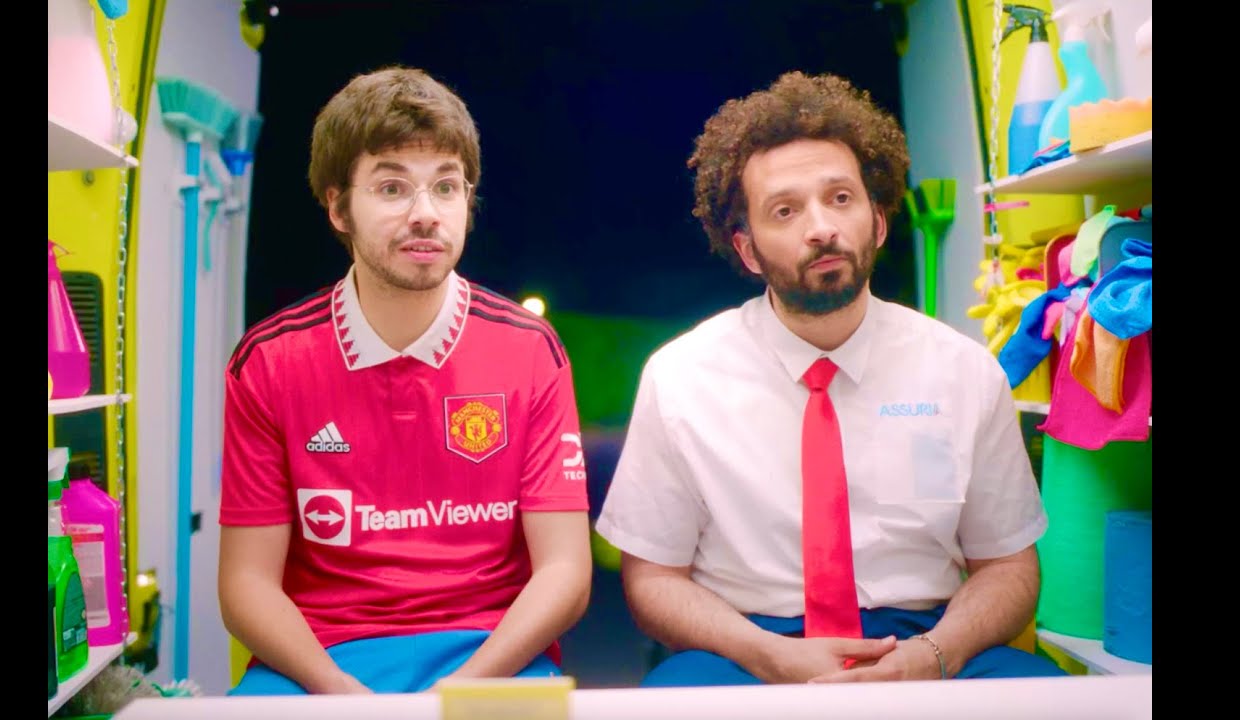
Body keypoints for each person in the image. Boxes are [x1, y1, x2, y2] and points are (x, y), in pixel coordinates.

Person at [595, 72, 1066, 686]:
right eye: (785, 210)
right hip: (745, 648)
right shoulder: (681, 378)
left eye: (840, 198)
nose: (820, 227)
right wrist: (767, 655)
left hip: (926, 640)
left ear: (878, 221)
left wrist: (932, 656)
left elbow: (1008, 567)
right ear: (747, 250)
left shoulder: (963, 372)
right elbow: (653, 579)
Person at [218, 65, 592, 695]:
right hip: (322, 660)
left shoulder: (531, 349)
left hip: (491, 653)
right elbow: (245, 583)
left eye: (446, 187)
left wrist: (458, 693)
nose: (425, 215)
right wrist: (344, 696)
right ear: (338, 206)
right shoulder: (269, 360)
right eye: (392, 188)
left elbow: (565, 571)